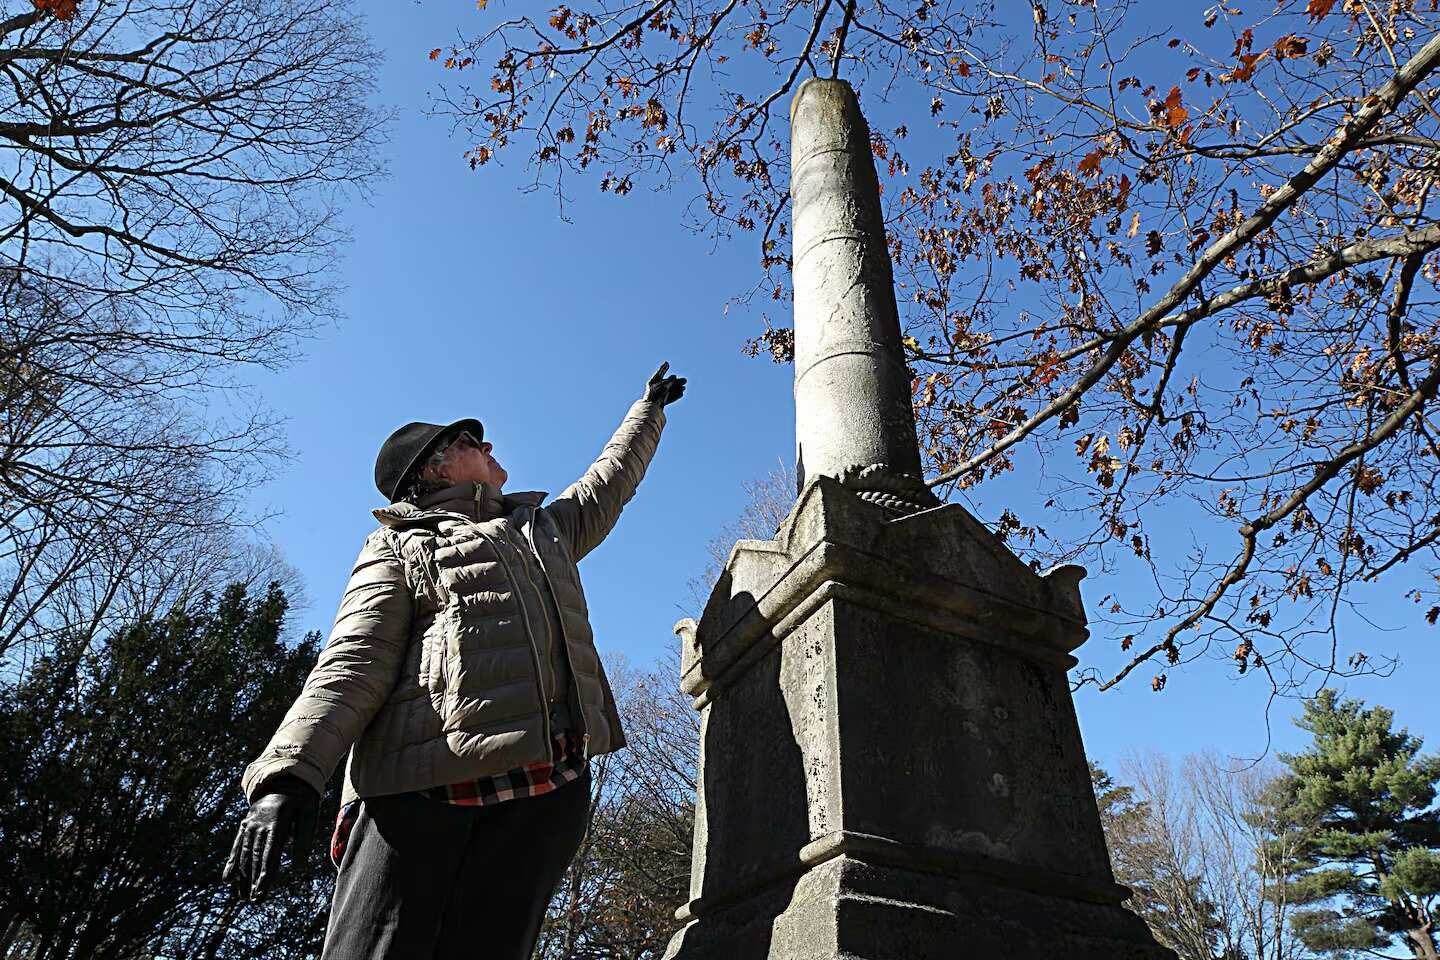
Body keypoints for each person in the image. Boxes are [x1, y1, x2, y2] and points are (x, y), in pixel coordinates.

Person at [224, 363, 687, 959]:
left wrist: (648, 412)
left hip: (547, 789)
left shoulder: (540, 529)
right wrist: (286, 778)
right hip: (421, 790)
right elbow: (354, 661)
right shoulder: (400, 544)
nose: (489, 446)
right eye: (472, 442)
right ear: (437, 468)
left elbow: (608, 482)